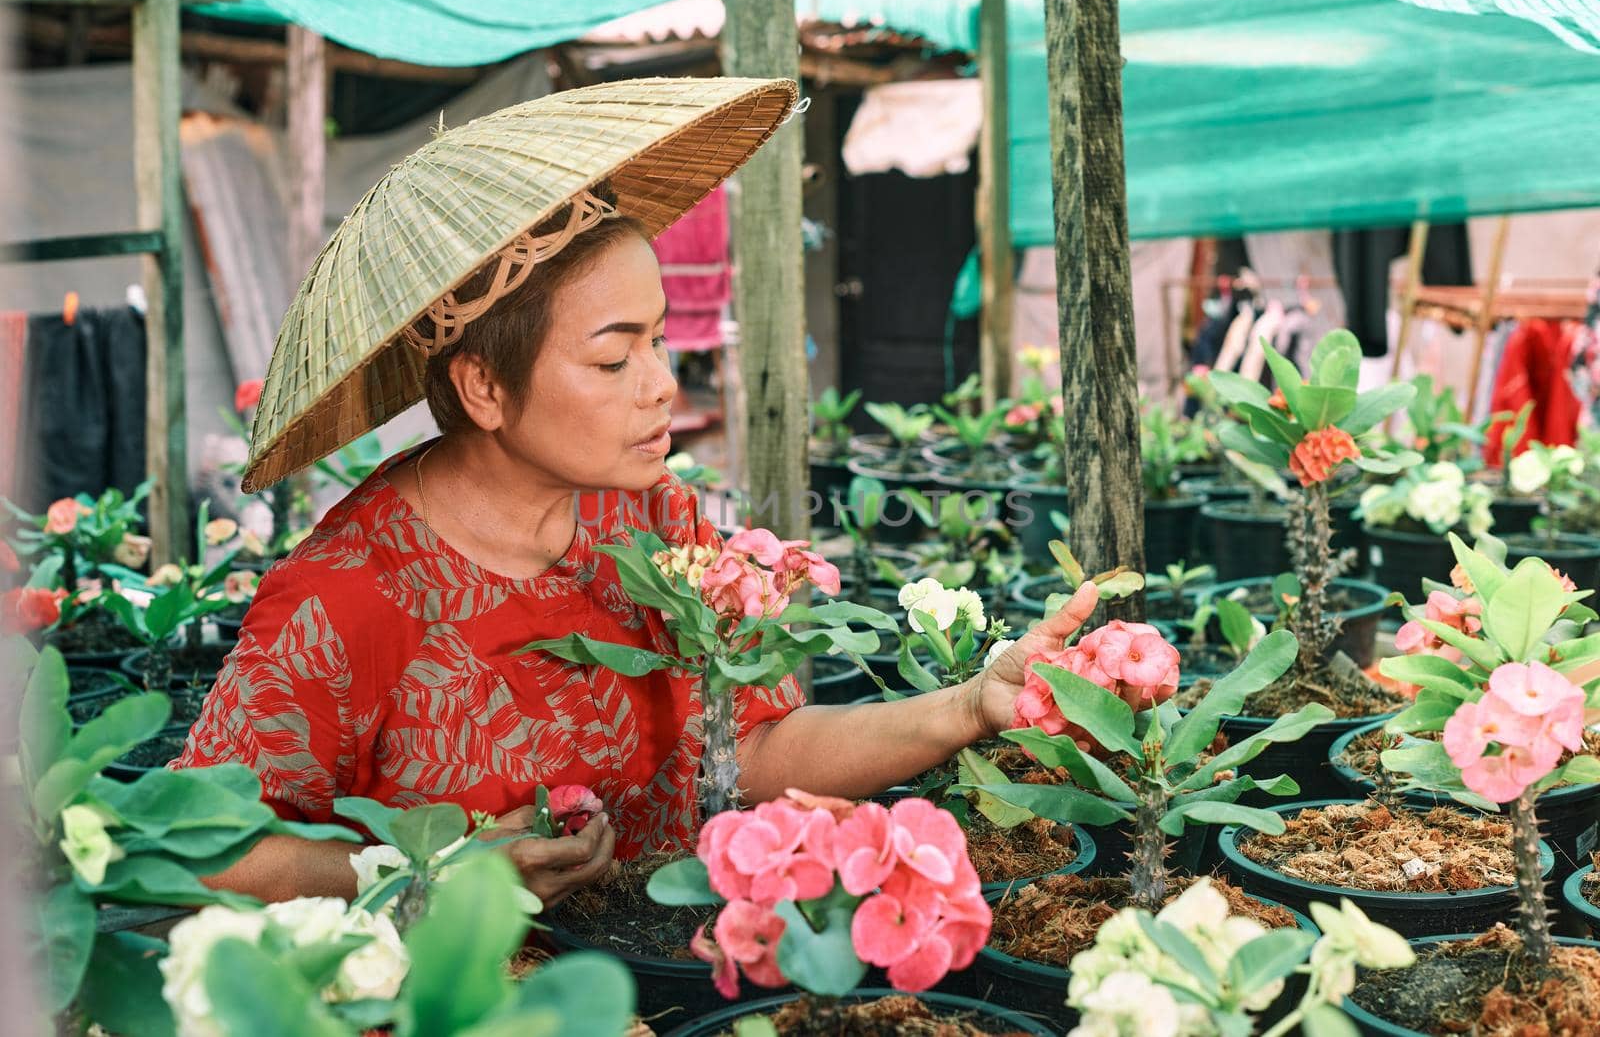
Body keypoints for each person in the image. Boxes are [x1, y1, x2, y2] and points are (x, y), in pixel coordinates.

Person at [178, 81, 1098, 908]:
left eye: (659, 341)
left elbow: (759, 752)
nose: (660, 384)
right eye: (615, 358)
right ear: (482, 388)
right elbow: (203, 853)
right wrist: (435, 870)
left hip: (671, 975)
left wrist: (969, 705)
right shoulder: (349, 594)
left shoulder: (649, 516)